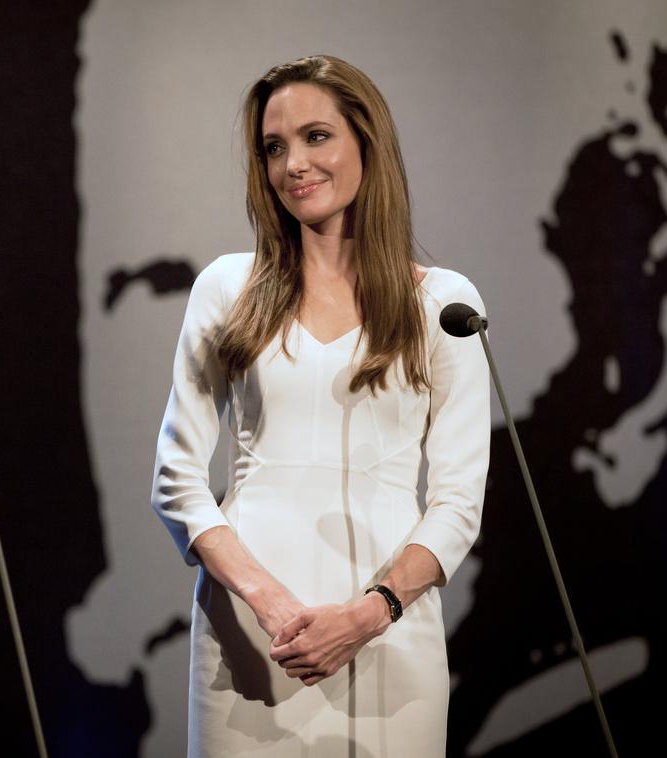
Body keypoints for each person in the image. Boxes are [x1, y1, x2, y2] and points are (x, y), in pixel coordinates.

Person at [152, 55, 490, 755]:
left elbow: (458, 501)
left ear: (367, 142)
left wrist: (371, 612)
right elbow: (176, 480)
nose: (293, 165)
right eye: (274, 147)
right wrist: (271, 605)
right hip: (253, 640)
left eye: (315, 137)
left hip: (391, 641)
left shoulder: (445, 304)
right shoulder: (226, 288)